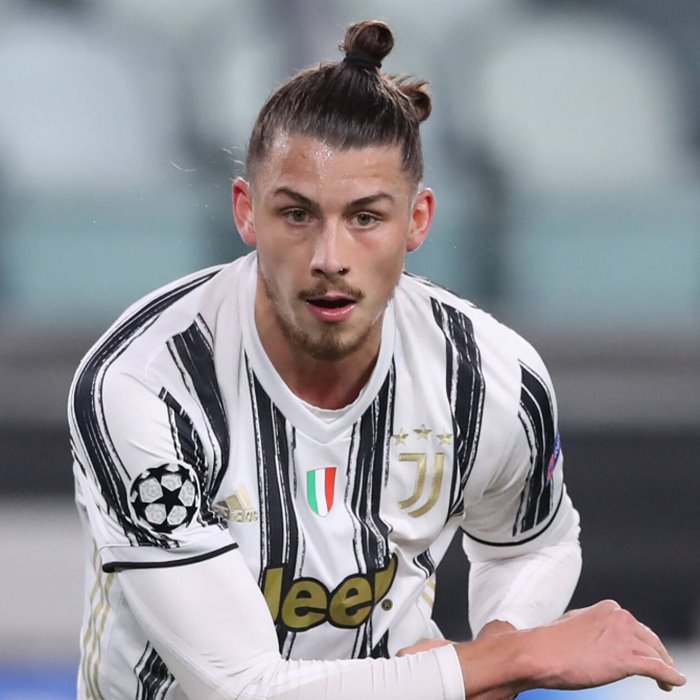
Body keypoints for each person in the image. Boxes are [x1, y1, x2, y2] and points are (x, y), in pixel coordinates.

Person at [69, 18, 685, 700]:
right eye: (297, 215)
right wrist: (513, 660)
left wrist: (503, 638)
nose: (329, 258)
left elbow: (533, 544)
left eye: (365, 217)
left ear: (417, 220)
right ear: (246, 212)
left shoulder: (491, 378)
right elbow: (244, 689)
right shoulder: (144, 384)